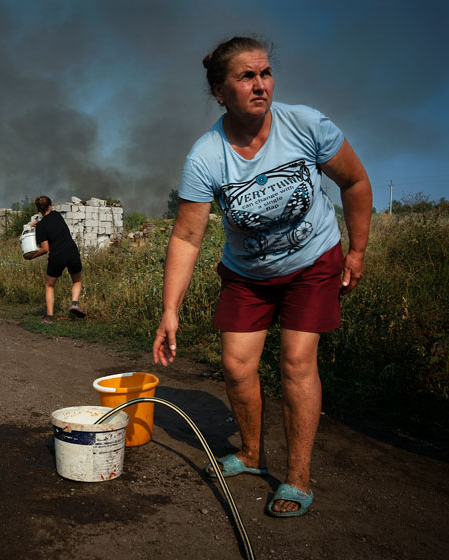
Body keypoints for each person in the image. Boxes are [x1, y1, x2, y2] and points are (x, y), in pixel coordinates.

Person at [152, 36, 372, 518]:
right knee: (236, 366)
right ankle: (251, 454)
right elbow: (187, 237)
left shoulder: (305, 125)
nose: (260, 84)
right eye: (246, 76)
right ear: (219, 91)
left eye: (265, 73)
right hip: (247, 273)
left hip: (312, 261)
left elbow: (354, 181)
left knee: (295, 361)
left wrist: (356, 250)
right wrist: (170, 310)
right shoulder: (206, 156)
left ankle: (297, 477)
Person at [26, 196, 86, 323]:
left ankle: (49, 317)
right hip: (72, 251)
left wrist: (32, 256)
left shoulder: (41, 227)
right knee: (77, 280)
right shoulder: (57, 216)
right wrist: (39, 223)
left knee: (50, 285)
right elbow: (50, 222)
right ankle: (74, 304)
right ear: (50, 206)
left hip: (58, 255)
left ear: (38, 209)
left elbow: (45, 249)